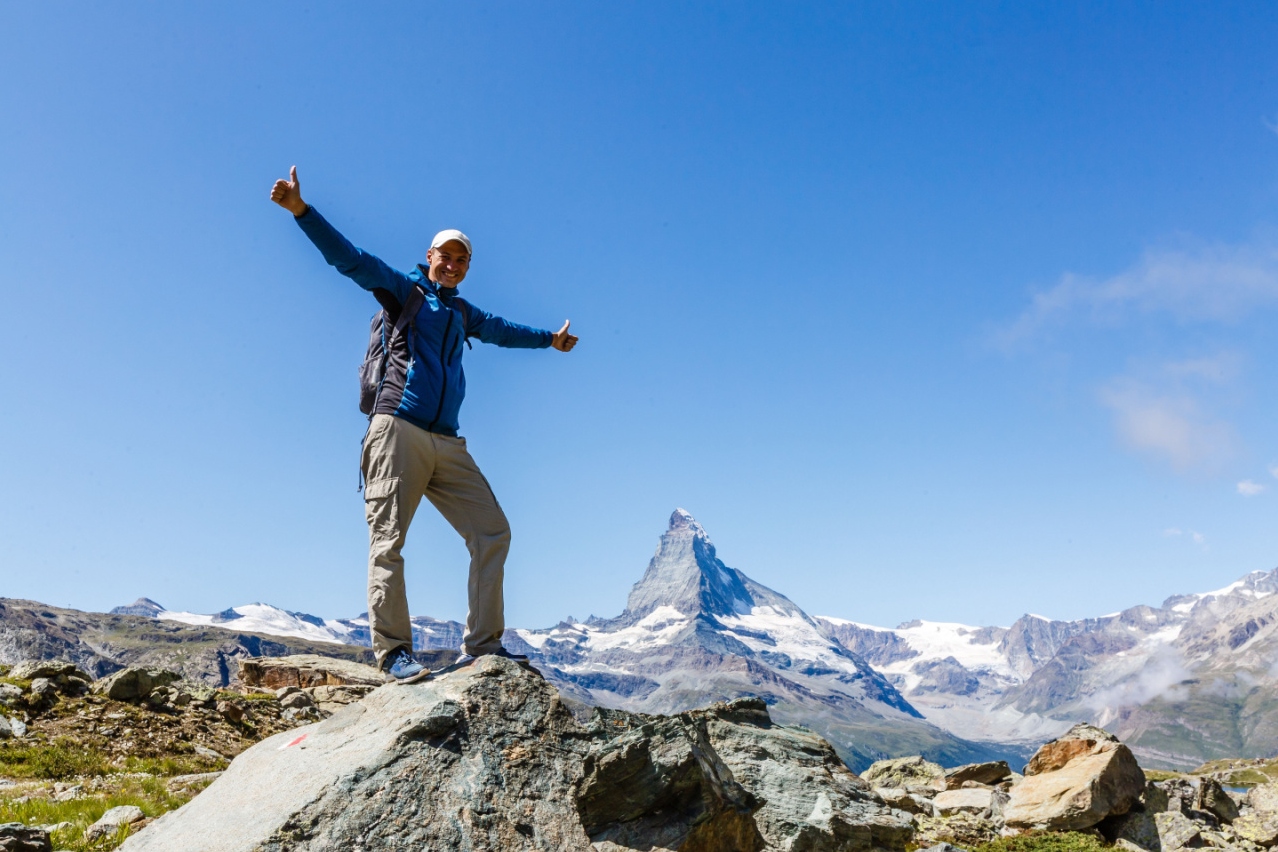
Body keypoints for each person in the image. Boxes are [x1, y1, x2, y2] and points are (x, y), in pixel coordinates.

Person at [270, 166, 578, 683]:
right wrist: (302, 211)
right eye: (446, 256)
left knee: (492, 530)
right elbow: (350, 259)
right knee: (388, 541)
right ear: (429, 257)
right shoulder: (403, 291)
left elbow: (503, 330)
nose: (453, 264)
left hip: (447, 442)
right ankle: (393, 653)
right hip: (397, 431)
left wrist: (550, 339)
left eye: (463, 259)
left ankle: (483, 647)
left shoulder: (462, 313)